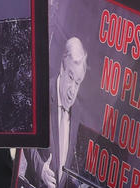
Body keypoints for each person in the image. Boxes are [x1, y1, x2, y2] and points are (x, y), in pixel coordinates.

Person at [24, 37, 87, 188]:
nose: (73, 90)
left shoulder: (77, 110)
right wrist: (41, 169)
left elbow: (67, 162)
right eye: (71, 77)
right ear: (62, 69)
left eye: (77, 83)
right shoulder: (42, 92)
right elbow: (25, 137)